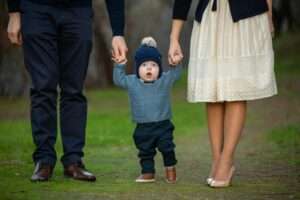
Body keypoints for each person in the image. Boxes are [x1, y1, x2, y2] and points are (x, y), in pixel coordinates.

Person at [6, 0, 128, 182]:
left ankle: (74, 161)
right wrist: (14, 13)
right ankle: (44, 160)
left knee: (74, 89)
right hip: (35, 10)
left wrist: (118, 33)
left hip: (78, 12)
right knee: (43, 87)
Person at [169, 0, 277, 187]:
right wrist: (174, 37)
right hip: (210, 19)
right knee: (212, 92)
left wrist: (269, 15)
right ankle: (217, 159)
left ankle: (226, 161)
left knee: (236, 89)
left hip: (245, 20)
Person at [113, 37, 181, 184]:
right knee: (145, 151)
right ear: (138, 68)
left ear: (159, 69)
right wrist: (119, 66)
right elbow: (118, 80)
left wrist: (175, 63)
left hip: (163, 125)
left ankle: (170, 170)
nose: (149, 68)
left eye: (153, 65)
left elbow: (176, 74)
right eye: (144, 65)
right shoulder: (132, 82)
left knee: (167, 147)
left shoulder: (163, 80)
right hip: (143, 126)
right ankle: (148, 173)